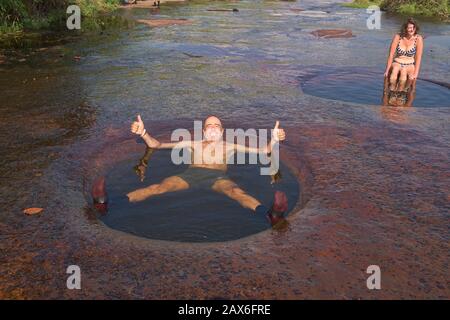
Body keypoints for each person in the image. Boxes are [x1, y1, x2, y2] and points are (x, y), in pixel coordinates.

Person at [93, 115, 289, 227]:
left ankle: (270, 214)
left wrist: (273, 139)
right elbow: (158, 145)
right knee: (159, 187)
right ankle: (106, 203)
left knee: (236, 192)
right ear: (204, 131)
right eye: (209, 126)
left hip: (218, 177)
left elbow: (264, 151)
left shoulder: (231, 145)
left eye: (216, 126)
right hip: (190, 175)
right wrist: (144, 133)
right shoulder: (193, 143)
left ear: (221, 131)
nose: (212, 128)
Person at [384, 18, 424, 92]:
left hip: (409, 64)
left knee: (404, 71)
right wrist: (387, 71)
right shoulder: (398, 37)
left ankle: (400, 93)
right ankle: (391, 91)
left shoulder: (418, 38)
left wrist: (416, 74)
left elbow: (418, 57)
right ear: (405, 28)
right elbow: (391, 54)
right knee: (395, 70)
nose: (412, 30)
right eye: (409, 28)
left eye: (413, 27)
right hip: (397, 62)